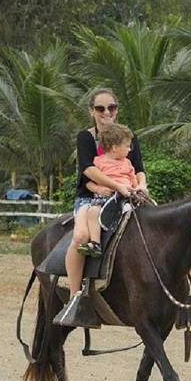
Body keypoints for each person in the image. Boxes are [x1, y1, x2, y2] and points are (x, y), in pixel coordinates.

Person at [54, 88, 148, 326]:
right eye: (100, 108)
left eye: (111, 108)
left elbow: (138, 168)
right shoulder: (85, 138)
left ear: (116, 109)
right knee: (81, 237)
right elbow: (88, 169)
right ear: (91, 111)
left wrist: (142, 186)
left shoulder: (128, 136)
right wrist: (117, 186)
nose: (107, 113)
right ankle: (75, 299)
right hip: (91, 198)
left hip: (126, 194)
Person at [79, 123, 140, 257]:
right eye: (127, 146)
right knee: (93, 212)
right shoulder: (98, 162)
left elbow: (133, 177)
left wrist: (136, 188)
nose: (130, 149)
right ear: (114, 147)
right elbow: (88, 183)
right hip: (105, 198)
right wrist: (98, 188)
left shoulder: (127, 163)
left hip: (126, 196)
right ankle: (96, 243)